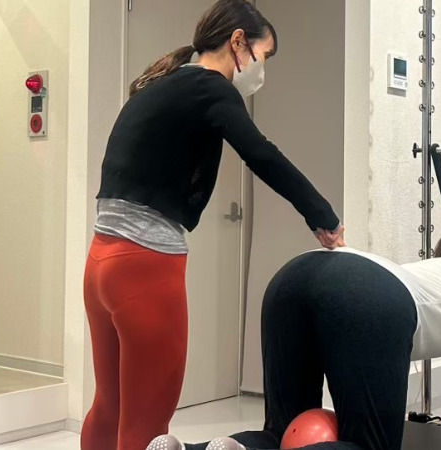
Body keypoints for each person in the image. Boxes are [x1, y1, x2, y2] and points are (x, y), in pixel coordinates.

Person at [82, 1, 345, 448]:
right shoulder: (210, 87)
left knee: (109, 406)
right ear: (238, 42)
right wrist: (323, 216)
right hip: (145, 267)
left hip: (101, 263)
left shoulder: (162, 82)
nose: (262, 69)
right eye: (264, 56)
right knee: (146, 425)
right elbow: (262, 154)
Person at [147, 221, 441, 450]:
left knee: (283, 430)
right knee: (370, 446)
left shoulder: (425, 268)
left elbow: (356, 282)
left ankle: (194, 448)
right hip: (366, 295)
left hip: (294, 274)